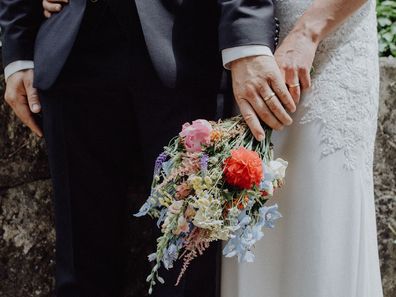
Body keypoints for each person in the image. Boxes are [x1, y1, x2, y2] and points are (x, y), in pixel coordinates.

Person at [0, 0, 294, 296]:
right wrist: (18, 48)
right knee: (79, 268)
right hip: (71, 48)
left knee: (186, 267)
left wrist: (248, 36)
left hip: (185, 43)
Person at [221, 0, 384, 296]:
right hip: (255, 43)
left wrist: (308, 31)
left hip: (330, 45)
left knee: (322, 213)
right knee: (255, 224)